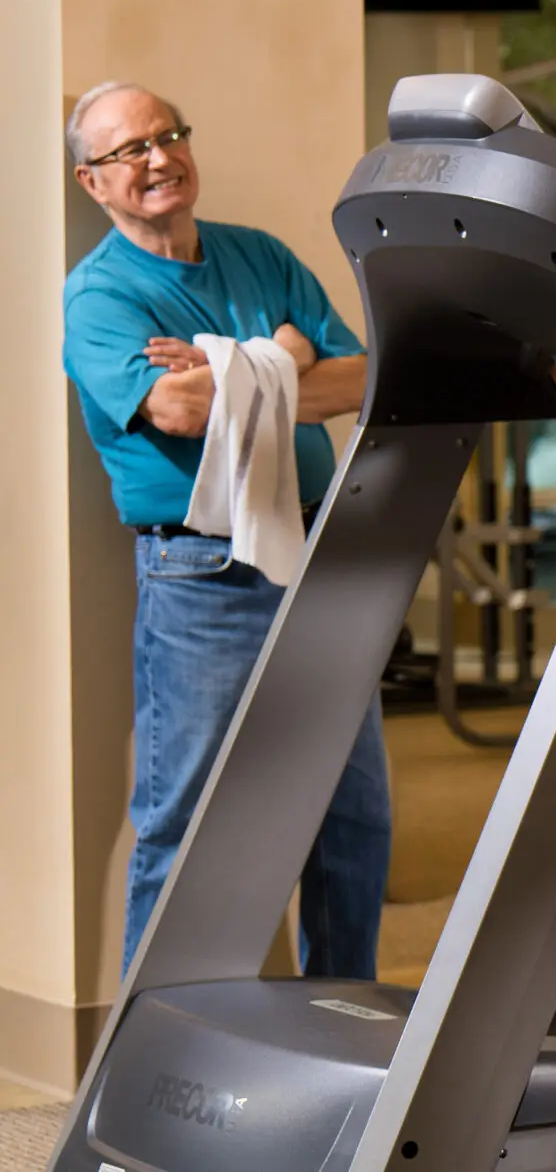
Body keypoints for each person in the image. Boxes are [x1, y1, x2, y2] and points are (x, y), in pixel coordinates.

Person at [60, 82, 391, 976]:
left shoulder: (261, 255)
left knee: (353, 814)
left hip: (319, 555)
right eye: (131, 149)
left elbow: (364, 378)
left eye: (168, 135)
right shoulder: (97, 296)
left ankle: (343, 1017)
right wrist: (281, 353)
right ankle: (148, 1043)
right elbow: (174, 410)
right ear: (93, 181)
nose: (159, 157)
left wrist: (228, 368)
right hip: (201, 578)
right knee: (184, 819)